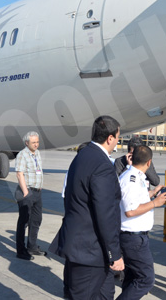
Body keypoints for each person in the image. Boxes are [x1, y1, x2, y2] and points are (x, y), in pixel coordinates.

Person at [50, 115, 125, 300]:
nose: (117, 141)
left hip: (76, 245)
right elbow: (105, 214)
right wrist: (115, 254)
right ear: (110, 138)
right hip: (89, 251)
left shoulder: (83, 156)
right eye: (117, 137)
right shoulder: (103, 165)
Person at [117, 145, 166, 299]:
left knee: (132, 277)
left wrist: (152, 193)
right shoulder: (131, 179)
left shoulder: (136, 176)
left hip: (136, 236)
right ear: (149, 162)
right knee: (146, 279)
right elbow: (130, 210)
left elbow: (135, 198)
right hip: (133, 237)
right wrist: (155, 203)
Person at [14, 131, 45, 260]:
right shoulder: (22, 155)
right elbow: (19, 174)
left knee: (36, 220)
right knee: (24, 221)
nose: (36, 144)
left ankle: (32, 246)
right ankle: (21, 251)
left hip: (37, 192)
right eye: (33, 142)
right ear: (27, 143)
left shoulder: (36, 153)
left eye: (37, 142)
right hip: (27, 192)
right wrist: (26, 192)